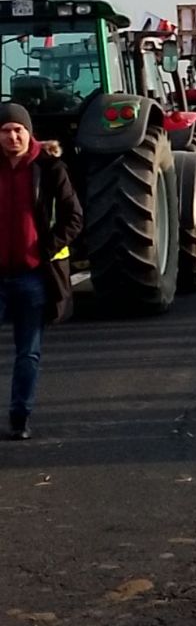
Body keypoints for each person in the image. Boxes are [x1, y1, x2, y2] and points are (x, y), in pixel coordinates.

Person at [0, 103, 83, 440]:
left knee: (28, 352)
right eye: (5, 130)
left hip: (33, 276)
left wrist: (45, 250)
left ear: (29, 131)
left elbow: (73, 217)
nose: (12, 136)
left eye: (18, 129)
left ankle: (20, 417)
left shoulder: (49, 168)